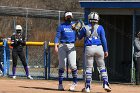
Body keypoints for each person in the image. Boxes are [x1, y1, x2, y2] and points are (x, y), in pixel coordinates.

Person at [74, 12, 111, 92]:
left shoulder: (85, 28)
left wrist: (77, 30)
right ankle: (105, 83)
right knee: (102, 67)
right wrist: (106, 50)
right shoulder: (100, 27)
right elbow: (104, 40)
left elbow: (79, 37)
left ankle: (87, 87)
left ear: (89, 18)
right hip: (99, 48)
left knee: (88, 68)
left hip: (89, 48)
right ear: (97, 19)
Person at [54, 11, 78, 91]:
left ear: (72, 17)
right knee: (62, 66)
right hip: (63, 46)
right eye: (67, 16)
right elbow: (57, 36)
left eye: (70, 16)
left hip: (72, 46)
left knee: (73, 65)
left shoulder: (74, 25)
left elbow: (79, 36)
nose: (69, 17)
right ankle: (60, 84)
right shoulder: (61, 26)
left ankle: (74, 83)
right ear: (65, 17)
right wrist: (55, 45)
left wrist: (78, 29)